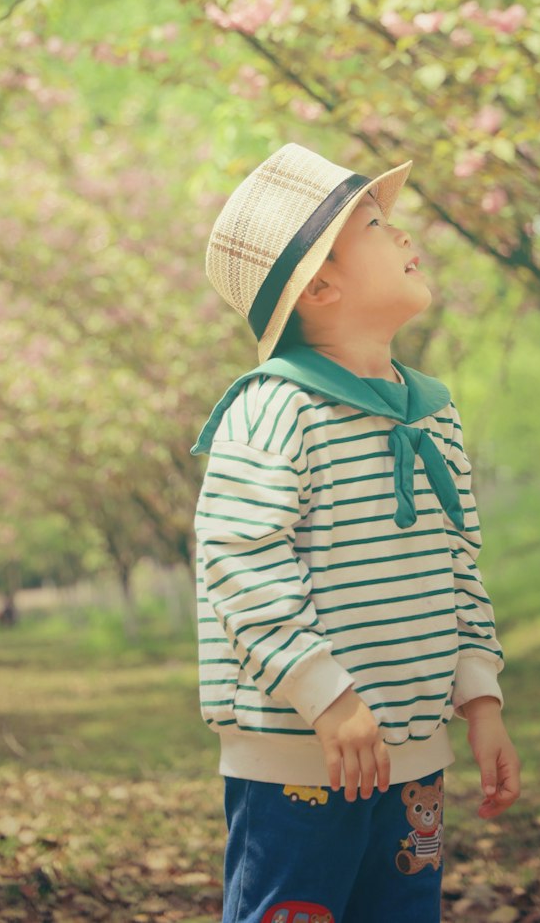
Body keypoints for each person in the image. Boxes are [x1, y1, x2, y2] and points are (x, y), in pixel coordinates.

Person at [191, 143, 521, 923]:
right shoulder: (274, 409)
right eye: (376, 223)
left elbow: (458, 564)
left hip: (412, 758)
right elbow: (238, 560)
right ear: (323, 284)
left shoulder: (433, 412)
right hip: (302, 757)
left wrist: (480, 701)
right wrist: (329, 698)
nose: (405, 235)